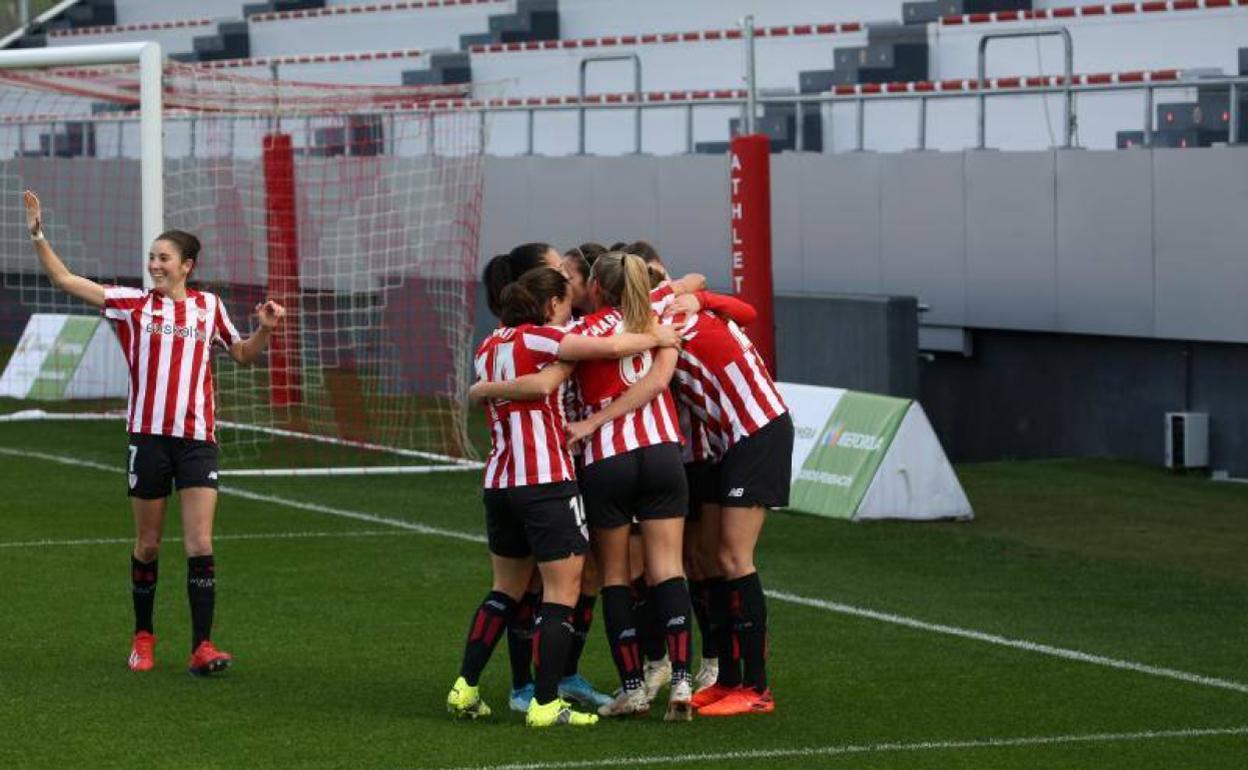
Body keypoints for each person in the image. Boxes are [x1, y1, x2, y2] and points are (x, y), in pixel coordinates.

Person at [22, 190, 286, 676]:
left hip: (197, 440)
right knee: (147, 544)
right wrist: (38, 232)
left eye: (164, 258)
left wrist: (266, 330)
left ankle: (202, 647)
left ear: (187, 265)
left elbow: (244, 356)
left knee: (200, 544)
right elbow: (63, 279)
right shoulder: (131, 305)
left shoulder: (209, 308)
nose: (154, 265)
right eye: (151, 258)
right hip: (147, 439)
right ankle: (143, 638)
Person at [448, 266, 678, 727]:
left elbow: (531, 384)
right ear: (551, 305)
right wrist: (663, 337)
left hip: (500, 482)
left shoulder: (489, 345)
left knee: (505, 590)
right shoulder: (540, 339)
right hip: (546, 481)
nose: (570, 311)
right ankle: (546, 703)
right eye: (566, 304)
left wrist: (485, 389)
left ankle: (465, 687)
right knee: (562, 591)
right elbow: (611, 347)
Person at [478, 242, 613, 712]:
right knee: (541, 585)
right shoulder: (539, 336)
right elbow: (542, 382)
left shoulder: (529, 334)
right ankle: (530, 688)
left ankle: (560, 676)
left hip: (556, 466)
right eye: (558, 270)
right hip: (546, 472)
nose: (567, 278)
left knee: (579, 577)